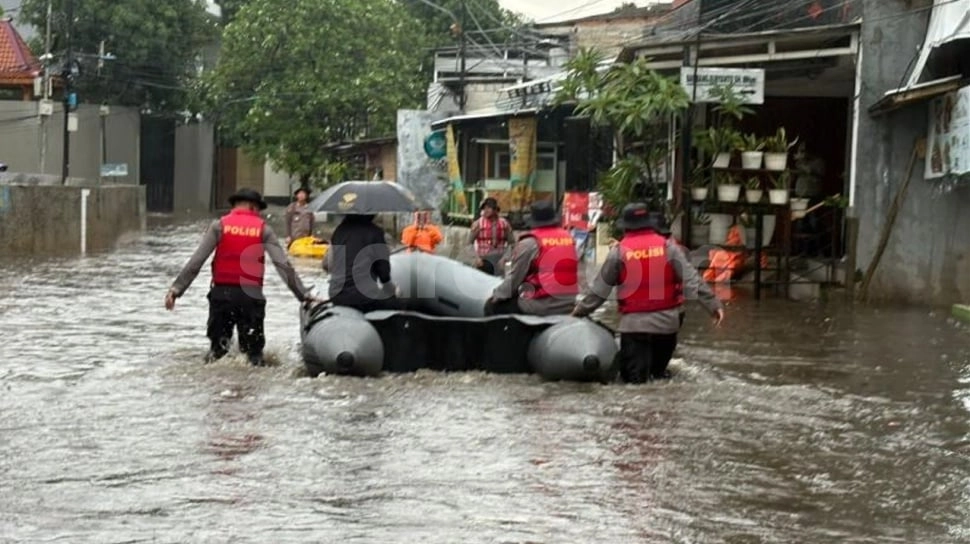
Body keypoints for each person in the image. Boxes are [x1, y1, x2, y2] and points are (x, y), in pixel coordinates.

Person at [164, 188, 321, 366]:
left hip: (222, 296)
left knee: (217, 355)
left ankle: (216, 390)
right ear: (253, 207)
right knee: (253, 358)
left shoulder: (219, 226)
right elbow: (283, 266)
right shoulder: (263, 230)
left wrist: (175, 290)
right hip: (251, 297)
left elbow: (196, 262)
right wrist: (304, 296)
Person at [571, 202, 725, 383]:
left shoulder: (619, 252)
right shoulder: (668, 247)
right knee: (659, 378)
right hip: (667, 328)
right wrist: (714, 305)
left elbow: (599, 292)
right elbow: (692, 279)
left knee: (634, 384)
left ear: (626, 226)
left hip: (635, 328)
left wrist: (578, 312)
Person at [485, 200, 579, 316]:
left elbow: (513, 280)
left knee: (494, 307)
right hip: (569, 303)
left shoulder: (530, 243)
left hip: (542, 305)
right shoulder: (569, 238)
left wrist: (496, 296)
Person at [324, 213, 399, 313]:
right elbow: (384, 272)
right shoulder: (375, 232)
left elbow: (327, 265)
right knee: (401, 304)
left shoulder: (339, 231)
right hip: (364, 298)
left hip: (337, 296)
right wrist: (391, 290)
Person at [469, 197, 514, 276]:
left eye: (488, 208)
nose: (485, 211)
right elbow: (469, 243)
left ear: (495, 210)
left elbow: (512, 243)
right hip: (483, 260)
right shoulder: (478, 224)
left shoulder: (504, 224)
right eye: (484, 208)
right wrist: (476, 258)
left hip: (499, 260)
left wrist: (505, 258)